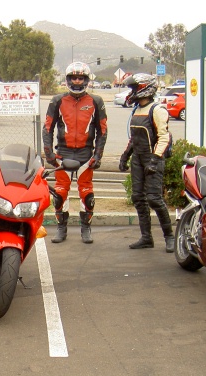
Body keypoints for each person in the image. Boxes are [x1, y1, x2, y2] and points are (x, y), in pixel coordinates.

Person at [43, 61, 108, 244]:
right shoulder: (57, 100)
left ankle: (86, 229)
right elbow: (47, 128)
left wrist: (98, 155)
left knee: (87, 194)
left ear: (86, 80)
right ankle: (61, 228)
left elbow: (103, 131)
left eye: (81, 78)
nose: (77, 81)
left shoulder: (96, 101)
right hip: (63, 154)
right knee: (59, 194)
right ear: (68, 79)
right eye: (74, 78)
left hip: (85, 155)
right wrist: (49, 153)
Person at [118, 73, 174, 252]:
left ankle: (170, 237)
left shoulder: (157, 110)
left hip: (152, 158)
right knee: (138, 198)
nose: (132, 91)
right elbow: (133, 138)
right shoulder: (137, 110)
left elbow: (164, 137)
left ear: (144, 88)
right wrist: (125, 156)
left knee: (154, 199)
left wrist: (155, 160)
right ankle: (146, 237)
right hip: (138, 159)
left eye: (134, 88)